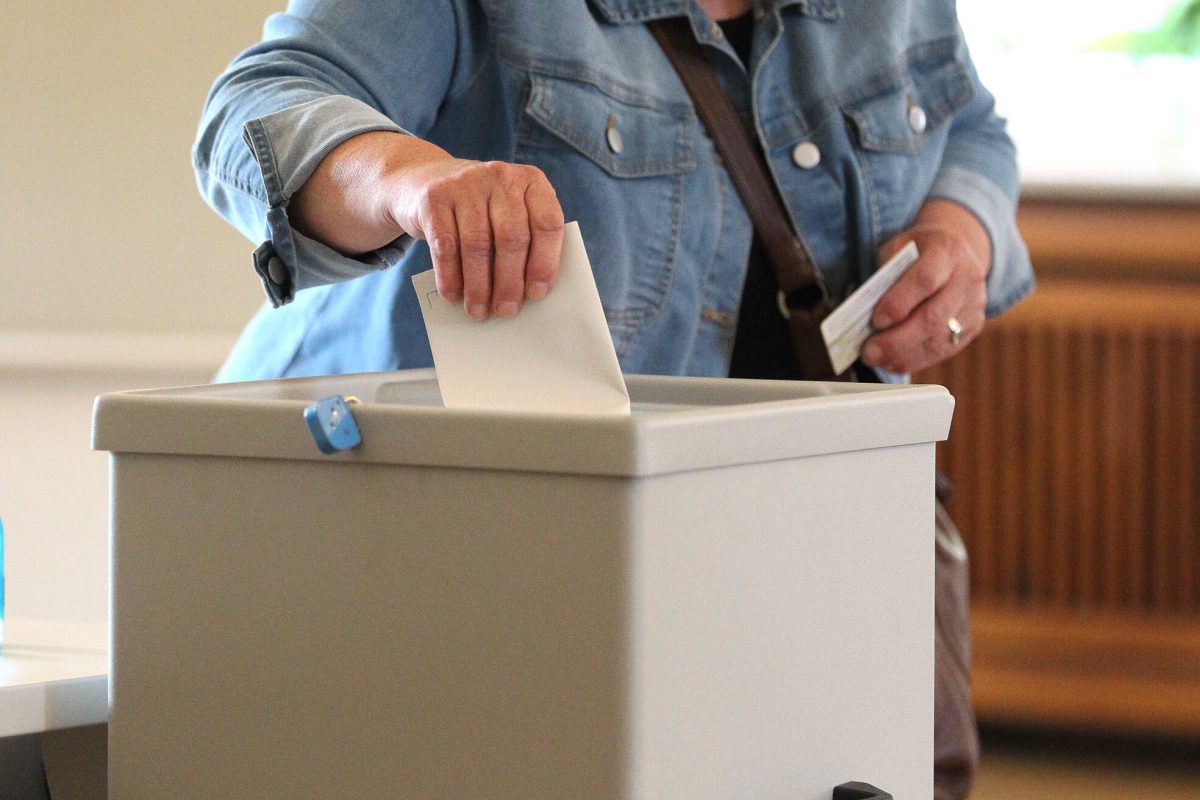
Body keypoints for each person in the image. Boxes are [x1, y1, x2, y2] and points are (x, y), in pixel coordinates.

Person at [195, 1, 1033, 796]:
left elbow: (970, 125)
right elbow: (253, 109)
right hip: (442, 554)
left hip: (776, 562)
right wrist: (413, 181)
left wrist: (964, 231)